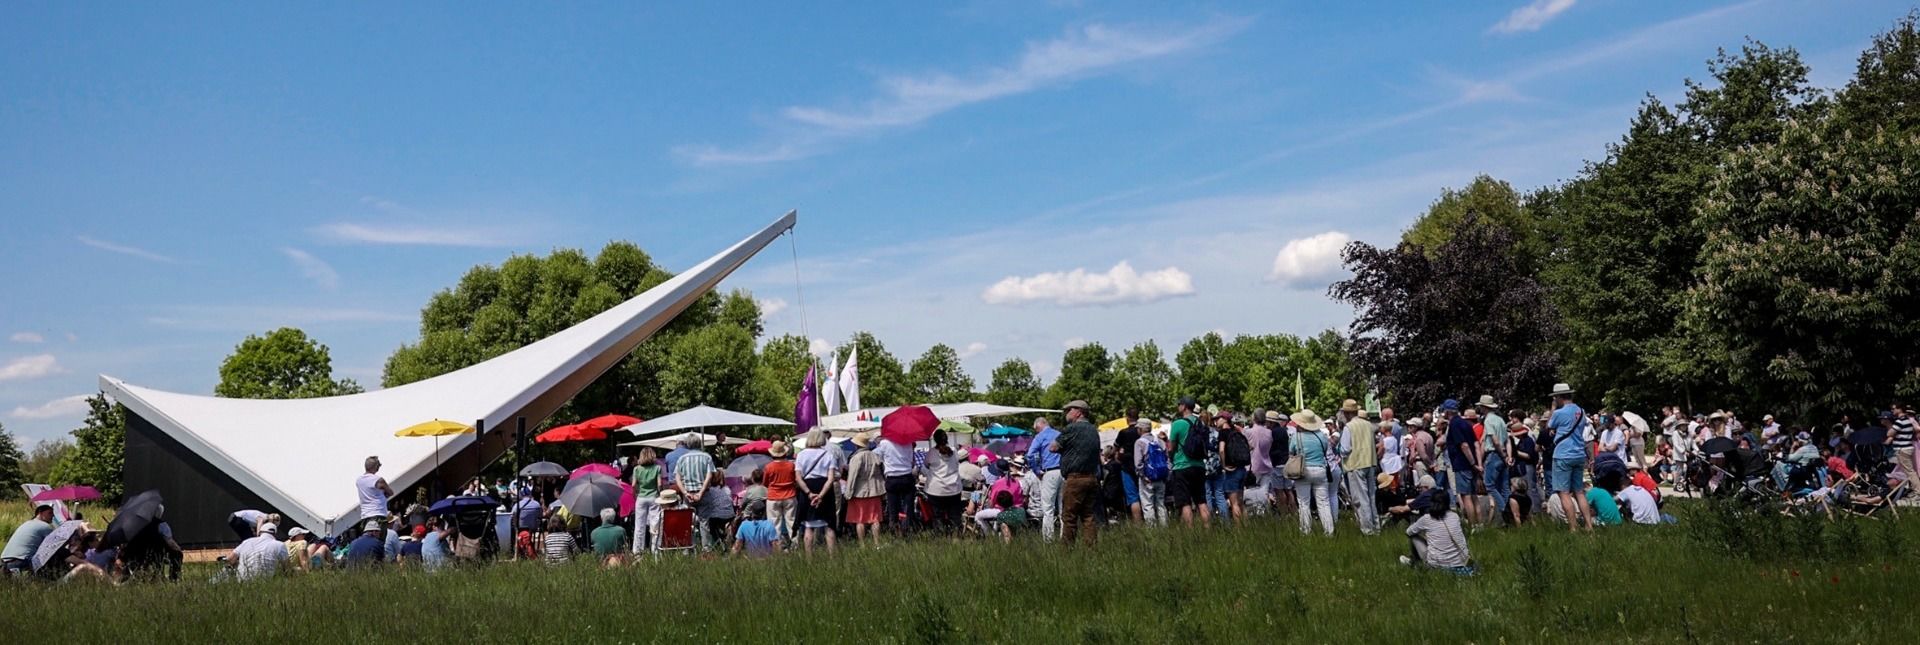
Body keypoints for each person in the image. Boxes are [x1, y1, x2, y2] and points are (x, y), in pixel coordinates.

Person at [1052, 400, 1102, 546]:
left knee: (1069, 516)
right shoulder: (1094, 430)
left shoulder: (1071, 429)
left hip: (1075, 478)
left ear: (1079, 412)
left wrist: (1065, 450)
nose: (1066, 413)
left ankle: (1067, 549)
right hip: (1092, 478)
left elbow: (1053, 447)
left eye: (1069, 410)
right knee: (1088, 516)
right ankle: (1091, 547)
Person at [1546, 384, 1595, 532]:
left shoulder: (1559, 413)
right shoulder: (1581, 411)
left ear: (1560, 397)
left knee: (1564, 492)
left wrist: (1554, 408)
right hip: (1579, 453)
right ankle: (1589, 525)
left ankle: (1573, 527)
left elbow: (1549, 425)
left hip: (1563, 454)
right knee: (1579, 491)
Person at [1401, 490, 1473, 575]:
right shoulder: (1454, 516)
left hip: (1437, 564)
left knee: (1413, 536)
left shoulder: (1426, 518)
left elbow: (1408, 532)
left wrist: (1422, 532)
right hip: (1460, 561)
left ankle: (1414, 562)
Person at [794, 429, 841, 555]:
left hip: (807, 487)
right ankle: (832, 557)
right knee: (829, 525)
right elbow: (831, 478)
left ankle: (809, 558)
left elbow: (798, 478)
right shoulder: (828, 455)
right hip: (824, 488)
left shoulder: (801, 455)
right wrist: (821, 495)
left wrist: (809, 493)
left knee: (809, 526)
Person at [1290, 409, 1336, 536]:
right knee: (1323, 502)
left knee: (1304, 502)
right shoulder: (1321, 436)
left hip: (1303, 470)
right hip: (1321, 470)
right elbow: (1325, 449)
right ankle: (1329, 531)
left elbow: (1291, 452)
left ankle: (1305, 531)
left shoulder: (1296, 437)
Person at [1168, 397, 1212, 527]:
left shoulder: (1177, 424)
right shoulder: (1201, 423)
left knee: (1185, 503)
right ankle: (1208, 530)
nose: (1178, 407)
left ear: (1184, 407)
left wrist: (1171, 456)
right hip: (1199, 466)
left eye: (1179, 404)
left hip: (1182, 466)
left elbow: (1171, 447)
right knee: (1201, 501)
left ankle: (1190, 533)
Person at [1439, 399, 1483, 527]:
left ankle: (1473, 525)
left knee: (1466, 496)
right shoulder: (1466, 424)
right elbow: (1476, 444)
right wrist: (1478, 465)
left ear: (1447, 411)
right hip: (1472, 466)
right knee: (1474, 496)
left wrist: (1472, 463)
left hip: (1462, 464)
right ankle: (1480, 525)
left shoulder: (1454, 424)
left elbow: (1464, 445)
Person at [1340, 399, 1381, 535]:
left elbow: (1345, 449)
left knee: (1360, 498)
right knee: (1371, 496)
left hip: (1356, 464)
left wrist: (1340, 452)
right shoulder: (1369, 425)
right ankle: (1376, 526)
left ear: (1346, 413)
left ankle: (1367, 529)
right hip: (1370, 462)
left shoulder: (1349, 427)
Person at [673, 435, 720, 551]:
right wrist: (701, 492)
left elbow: (677, 478)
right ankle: (706, 549)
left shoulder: (682, 459)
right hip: (703, 494)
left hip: (688, 493)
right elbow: (709, 475)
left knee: (688, 522)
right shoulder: (707, 457)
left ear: (687, 444)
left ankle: (687, 548)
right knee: (704, 523)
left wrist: (684, 492)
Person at [845, 432, 887, 547]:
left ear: (856, 445)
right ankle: (877, 543)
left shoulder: (856, 458)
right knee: (875, 518)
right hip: (876, 490)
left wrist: (848, 493)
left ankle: (862, 544)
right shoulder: (875, 455)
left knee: (860, 519)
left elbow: (852, 476)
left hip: (859, 491)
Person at [1025, 416, 1063, 541]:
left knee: (1048, 509)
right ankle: (1065, 538)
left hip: (1050, 472)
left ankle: (1048, 540)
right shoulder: (1060, 434)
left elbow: (1030, 455)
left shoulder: (1040, 436)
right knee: (1064, 508)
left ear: (1038, 426)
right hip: (1064, 472)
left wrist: (1036, 471)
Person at [1475, 396, 1510, 526]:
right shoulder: (1500, 420)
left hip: (1494, 454)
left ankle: (1504, 511)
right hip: (1503, 455)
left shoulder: (1488, 420)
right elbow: (1506, 440)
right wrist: (1507, 456)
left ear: (1484, 407)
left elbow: (1494, 440)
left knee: (1489, 485)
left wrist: (1500, 453)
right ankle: (1510, 511)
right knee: (1504, 487)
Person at [922, 431, 964, 536]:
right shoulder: (954, 451)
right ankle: (956, 538)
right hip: (954, 489)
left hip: (936, 489)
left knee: (938, 516)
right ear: (946, 439)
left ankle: (941, 538)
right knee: (955, 516)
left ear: (935, 440)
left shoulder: (932, 452)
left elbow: (926, 465)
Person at [877, 430, 918, 537]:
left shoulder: (884, 443)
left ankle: (894, 529)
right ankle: (906, 529)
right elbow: (912, 461)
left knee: (893, 507)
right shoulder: (908, 443)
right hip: (906, 476)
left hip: (892, 477)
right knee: (907, 506)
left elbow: (879, 459)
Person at [762, 441, 799, 548]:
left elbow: (765, 483)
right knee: (791, 521)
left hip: (773, 497)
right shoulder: (791, 465)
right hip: (790, 495)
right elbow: (795, 480)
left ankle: (777, 546)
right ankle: (795, 545)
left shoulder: (769, 467)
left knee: (774, 523)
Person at [3, 504, 56, 577]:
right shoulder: (45, 526)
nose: (53, 516)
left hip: (4, 561)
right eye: (50, 513)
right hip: (21, 561)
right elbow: (56, 545)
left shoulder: (26, 523)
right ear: (40, 513)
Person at [629, 447, 663, 555]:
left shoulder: (637, 469)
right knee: (655, 524)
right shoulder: (657, 468)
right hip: (653, 497)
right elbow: (659, 484)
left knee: (639, 525)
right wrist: (660, 494)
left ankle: (638, 550)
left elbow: (633, 485)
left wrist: (635, 495)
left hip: (641, 497)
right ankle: (655, 549)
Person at [356, 456, 396, 539]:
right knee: (379, 541)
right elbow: (390, 492)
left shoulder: (359, 480)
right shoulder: (378, 480)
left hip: (365, 515)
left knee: (367, 540)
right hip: (378, 514)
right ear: (375, 467)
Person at [1114, 408, 1144, 521]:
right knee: (1145, 496)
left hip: (1127, 466)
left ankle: (1138, 525)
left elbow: (1115, 448)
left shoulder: (1123, 433)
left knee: (1133, 498)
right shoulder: (1141, 432)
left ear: (1127, 418)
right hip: (1142, 466)